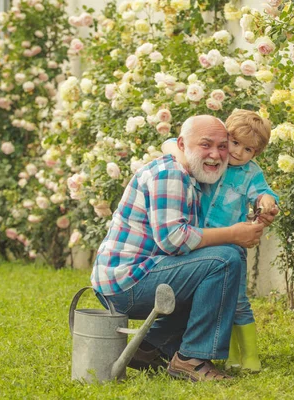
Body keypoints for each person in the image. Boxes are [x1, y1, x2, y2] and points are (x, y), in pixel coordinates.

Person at [91, 115, 278, 382]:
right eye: (206, 145)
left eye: (223, 146)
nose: (217, 154)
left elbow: (255, 188)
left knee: (223, 258)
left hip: (143, 274)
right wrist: (235, 233)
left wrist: (264, 204)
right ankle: (191, 359)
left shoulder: (195, 173)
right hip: (127, 283)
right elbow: (173, 240)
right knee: (224, 259)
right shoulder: (171, 174)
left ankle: (148, 347)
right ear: (183, 145)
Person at [162, 109, 277, 372]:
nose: (238, 152)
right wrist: (181, 155)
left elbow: (262, 193)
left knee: (236, 301)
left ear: (256, 154)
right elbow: (170, 143)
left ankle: (250, 357)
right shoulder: (215, 159)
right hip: (198, 241)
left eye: (248, 150)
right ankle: (230, 354)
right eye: (234, 143)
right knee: (212, 300)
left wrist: (266, 202)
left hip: (230, 246)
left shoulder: (250, 173)